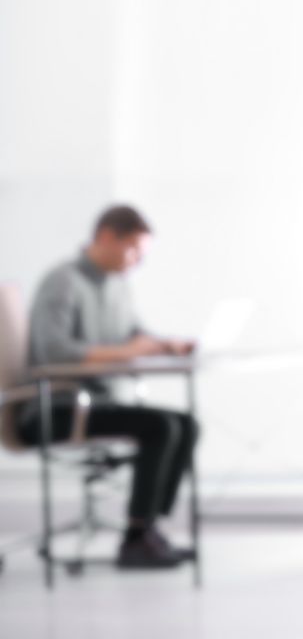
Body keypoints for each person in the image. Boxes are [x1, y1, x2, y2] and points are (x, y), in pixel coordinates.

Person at [18, 205, 199, 569]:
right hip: (57, 407)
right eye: (133, 251)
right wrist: (125, 352)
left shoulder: (118, 285)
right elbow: (52, 351)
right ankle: (136, 538)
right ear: (105, 237)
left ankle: (147, 528)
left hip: (98, 403)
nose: (137, 262)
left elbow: (134, 333)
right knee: (160, 427)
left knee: (187, 424)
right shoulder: (62, 281)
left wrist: (166, 344)